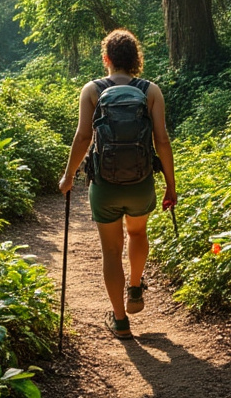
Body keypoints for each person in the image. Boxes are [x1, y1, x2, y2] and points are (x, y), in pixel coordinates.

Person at [57, 29, 177, 339]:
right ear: (136, 59)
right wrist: (170, 186)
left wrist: (68, 176)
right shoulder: (151, 91)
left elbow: (84, 137)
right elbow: (161, 140)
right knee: (138, 232)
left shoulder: (92, 90)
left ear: (106, 58)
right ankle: (135, 287)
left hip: (105, 185)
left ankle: (120, 321)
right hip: (141, 183)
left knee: (111, 252)